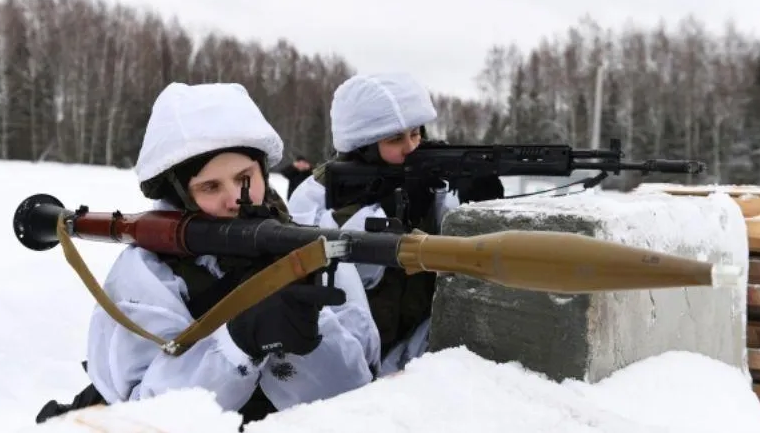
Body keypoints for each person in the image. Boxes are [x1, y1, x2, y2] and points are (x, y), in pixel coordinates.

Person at [35, 82, 381, 425]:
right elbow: (144, 416)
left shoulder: (308, 249)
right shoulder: (149, 272)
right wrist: (239, 343)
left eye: (245, 177)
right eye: (210, 187)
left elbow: (356, 399)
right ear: (179, 195)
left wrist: (310, 331)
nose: (235, 199)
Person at [288, 72, 501, 376]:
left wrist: (475, 204)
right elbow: (330, 277)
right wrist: (385, 216)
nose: (411, 147)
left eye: (416, 134)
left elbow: (459, 252)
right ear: (363, 146)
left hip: (413, 349)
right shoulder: (315, 195)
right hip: (346, 360)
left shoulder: (424, 177)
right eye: (395, 139)